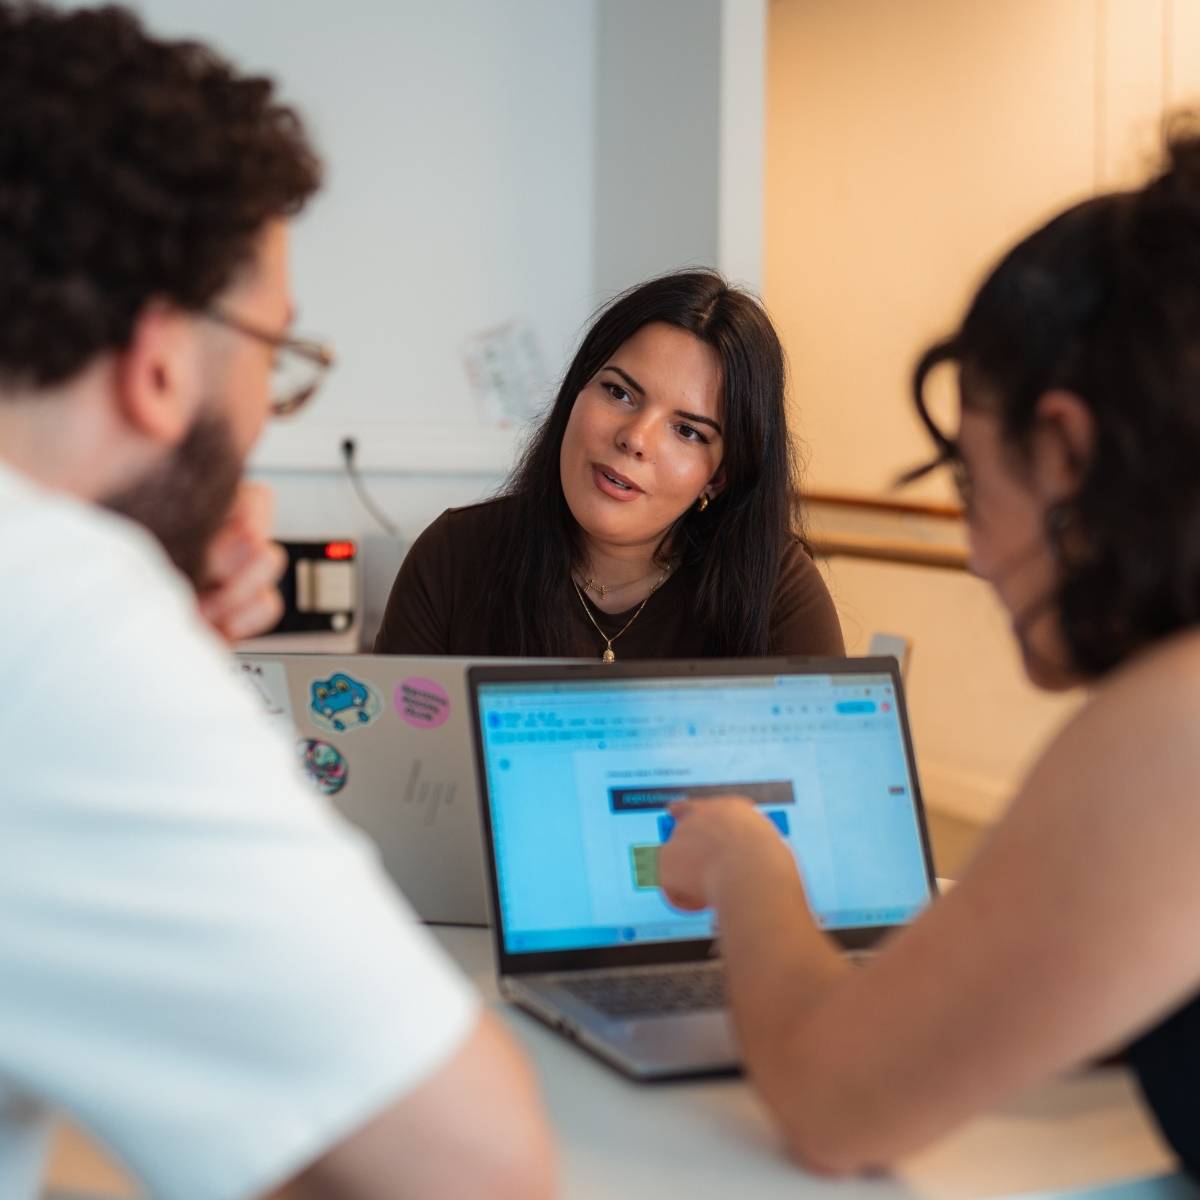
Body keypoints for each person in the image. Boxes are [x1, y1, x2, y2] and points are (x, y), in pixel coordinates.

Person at [0, 5, 553, 1199]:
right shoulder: (56, 612)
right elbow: (475, 1171)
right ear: (160, 365)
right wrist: (150, 653)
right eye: (273, 356)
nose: (262, 416)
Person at [657, 123, 1200, 1177]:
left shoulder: (1175, 726)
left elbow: (831, 1102)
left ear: (1066, 449)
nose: (976, 556)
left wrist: (740, 856)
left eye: (968, 486)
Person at [375, 271, 844, 661]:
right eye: (619, 393)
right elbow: (392, 761)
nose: (636, 439)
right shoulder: (456, 558)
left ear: (718, 477)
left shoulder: (775, 590)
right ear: (576, 392)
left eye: (688, 431)